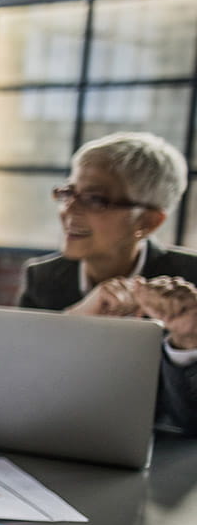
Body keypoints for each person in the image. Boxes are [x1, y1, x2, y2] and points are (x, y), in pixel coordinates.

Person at [18, 131, 197, 434]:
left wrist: (187, 341)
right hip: (59, 441)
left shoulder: (189, 284)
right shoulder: (43, 278)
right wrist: (76, 318)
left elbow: (190, 421)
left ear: (148, 222)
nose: (68, 211)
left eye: (95, 200)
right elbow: (16, 382)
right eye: (68, 194)